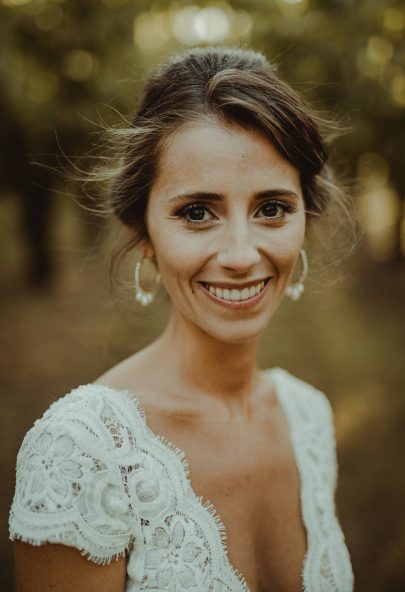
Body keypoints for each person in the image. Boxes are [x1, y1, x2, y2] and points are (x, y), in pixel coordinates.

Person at [9, 46, 354, 592]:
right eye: (197, 212)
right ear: (143, 235)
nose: (242, 254)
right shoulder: (82, 452)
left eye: (272, 208)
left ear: (303, 220)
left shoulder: (307, 416)